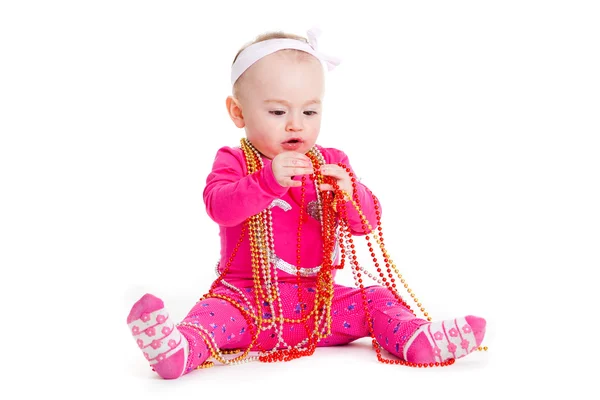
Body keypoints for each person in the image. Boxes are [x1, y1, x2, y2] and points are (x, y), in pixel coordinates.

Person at [126, 27, 487, 379]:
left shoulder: (331, 161)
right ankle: (180, 349)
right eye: (278, 113)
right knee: (210, 316)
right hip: (247, 301)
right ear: (238, 113)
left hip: (320, 305)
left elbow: (367, 222)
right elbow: (219, 206)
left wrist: (351, 193)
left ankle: (413, 338)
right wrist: (267, 180)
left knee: (376, 298)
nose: (295, 125)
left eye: (310, 112)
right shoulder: (235, 160)